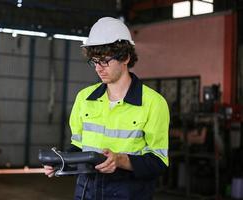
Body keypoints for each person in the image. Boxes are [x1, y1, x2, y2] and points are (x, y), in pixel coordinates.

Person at [43, 17, 170, 200]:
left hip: (129, 192)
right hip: (86, 189)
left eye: (104, 61)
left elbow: (158, 162)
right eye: (94, 61)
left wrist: (120, 160)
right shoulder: (85, 98)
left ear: (125, 57)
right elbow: (79, 147)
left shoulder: (153, 103)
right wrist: (61, 162)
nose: (98, 68)